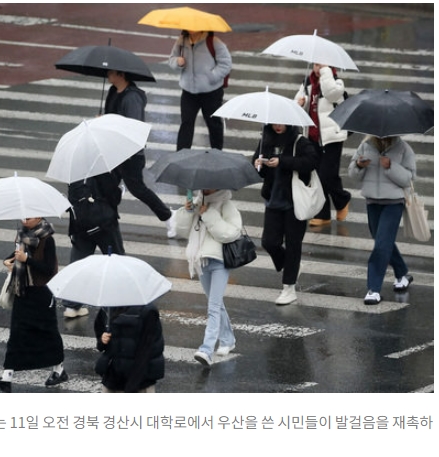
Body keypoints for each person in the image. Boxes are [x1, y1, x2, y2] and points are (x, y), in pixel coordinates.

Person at [0, 217, 68, 391]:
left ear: (38, 217)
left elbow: (49, 269)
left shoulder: (47, 239)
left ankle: (59, 370)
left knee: (48, 333)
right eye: (23, 216)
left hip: (41, 292)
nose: (24, 220)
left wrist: (26, 259)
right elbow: (16, 254)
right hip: (23, 290)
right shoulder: (23, 235)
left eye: (28, 218)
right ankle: (6, 378)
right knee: (17, 332)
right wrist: (8, 261)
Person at [174, 188, 243, 368]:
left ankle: (206, 349)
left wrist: (209, 214)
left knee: (213, 306)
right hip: (201, 260)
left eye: (210, 185)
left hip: (220, 261)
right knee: (216, 304)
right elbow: (181, 232)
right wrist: (187, 212)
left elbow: (231, 233)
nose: (205, 187)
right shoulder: (197, 202)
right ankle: (228, 339)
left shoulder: (227, 205)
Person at [252, 124, 320, 305]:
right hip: (273, 200)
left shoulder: (300, 142)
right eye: (274, 123)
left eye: (281, 123)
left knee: (293, 244)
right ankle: (293, 265)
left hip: (295, 203)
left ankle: (289, 288)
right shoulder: (265, 141)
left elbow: (311, 163)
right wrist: (259, 164)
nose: (278, 127)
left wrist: (283, 161)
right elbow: (260, 171)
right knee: (269, 242)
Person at [104, 70, 176, 238]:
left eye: (111, 72)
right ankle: (108, 220)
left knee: (137, 189)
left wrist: (109, 123)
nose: (108, 74)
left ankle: (168, 216)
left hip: (130, 152)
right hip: (113, 148)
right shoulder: (113, 91)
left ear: (121, 74)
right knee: (106, 184)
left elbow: (133, 125)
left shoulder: (132, 97)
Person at [348, 136, 416, 305]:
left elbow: (409, 178)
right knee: (382, 241)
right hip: (372, 201)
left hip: (394, 203)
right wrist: (358, 165)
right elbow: (352, 174)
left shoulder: (403, 148)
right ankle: (402, 273)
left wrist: (391, 167)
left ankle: (373, 289)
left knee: (381, 245)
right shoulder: (365, 146)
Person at [61, 171, 125, 318]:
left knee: (78, 263)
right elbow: (114, 197)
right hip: (104, 225)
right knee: (116, 261)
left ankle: (72, 305)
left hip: (80, 226)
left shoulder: (74, 172)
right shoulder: (102, 169)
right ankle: (118, 303)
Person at [295, 63, 352, 226]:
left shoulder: (336, 82)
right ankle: (323, 213)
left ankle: (342, 199)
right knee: (317, 176)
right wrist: (301, 102)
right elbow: (300, 103)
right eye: (315, 64)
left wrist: (325, 73)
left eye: (321, 63)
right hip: (313, 136)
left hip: (331, 137)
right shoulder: (307, 82)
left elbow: (331, 94)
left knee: (328, 174)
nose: (317, 67)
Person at [168, 30, 232, 151]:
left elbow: (226, 64)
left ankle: (217, 153)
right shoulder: (181, 41)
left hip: (211, 92)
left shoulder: (214, 42)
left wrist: (211, 77)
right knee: (186, 124)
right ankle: (181, 154)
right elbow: (171, 59)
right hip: (188, 92)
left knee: (214, 124)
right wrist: (178, 62)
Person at [94, 304, 164, 392]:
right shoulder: (107, 308)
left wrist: (132, 386)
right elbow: (100, 331)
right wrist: (102, 340)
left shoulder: (148, 311)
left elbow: (147, 350)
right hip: (113, 376)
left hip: (140, 380)